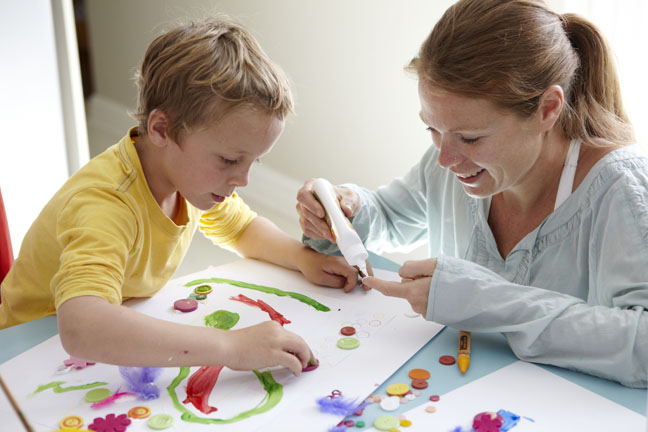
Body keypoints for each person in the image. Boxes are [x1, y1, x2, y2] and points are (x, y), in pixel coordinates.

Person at [297, 0, 647, 388]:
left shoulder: (620, 189)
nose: (445, 158)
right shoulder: (452, 162)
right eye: (431, 129)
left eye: (470, 137)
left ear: (547, 109)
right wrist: (345, 210)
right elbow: (390, 216)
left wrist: (489, 301)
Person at [0, 17, 359, 376]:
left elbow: (241, 228)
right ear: (161, 130)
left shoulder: (185, 178)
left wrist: (301, 258)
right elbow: (81, 326)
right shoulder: (106, 203)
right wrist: (230, 346)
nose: (244, 179)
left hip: (92, 350)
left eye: (253, 161)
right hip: (24, 355)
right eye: (230, 159)